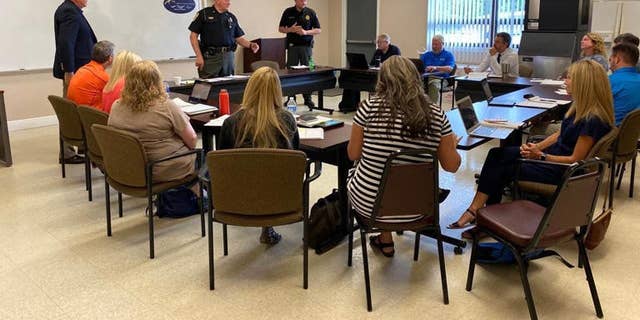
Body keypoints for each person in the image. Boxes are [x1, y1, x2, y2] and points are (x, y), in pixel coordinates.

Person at [449, 60, 614, 235]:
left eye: (570, 78)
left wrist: (541, 156)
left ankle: (480, 217)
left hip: (558, 169)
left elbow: (575, 160)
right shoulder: (581, 108)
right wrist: (535, 147)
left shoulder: (592, 120)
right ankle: (481, 213)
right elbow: (560, 135)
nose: (565, 81)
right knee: (496, 154)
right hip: (549, 157)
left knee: (500, 167)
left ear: (584, 84)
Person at [347, 56, 461, 257]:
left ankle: (385, 238)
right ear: (416, 79)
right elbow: (452, 166)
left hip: (371, 206)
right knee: (396, 179)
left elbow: (353, 154)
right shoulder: (436, 114)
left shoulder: (367, 108)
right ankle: (386, 239)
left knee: (374, 174)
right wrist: (450, 144)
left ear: (382, 80)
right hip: (420, 207)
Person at [219, 67, 300, 245]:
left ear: (249, 88)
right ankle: (267, 226)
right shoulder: (287, 120)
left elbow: (222, 167)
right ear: (277, 91)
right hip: (281, 199)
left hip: (236, 199)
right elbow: (296, 161)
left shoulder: (230, 122)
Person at [108, 60, 198, 186]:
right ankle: (200, 198)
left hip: (129, 168)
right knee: (203, 158)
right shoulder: (166, 106)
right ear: (156, 82)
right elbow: (192, 140)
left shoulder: (116, 106)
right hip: (160, 169)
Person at [188, 0, 260, 79]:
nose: (229, 3)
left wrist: (250, 44)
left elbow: (238, 38)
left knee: (228, 86)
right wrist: (199, 56)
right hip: (211, 58)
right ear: (217, 1)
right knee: (209, 86)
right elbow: (193, 36)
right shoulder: (204, 14)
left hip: (228, 57)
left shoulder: (231, 17)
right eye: (226, 0)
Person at [279, 0, 322, 108]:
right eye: (301, 0)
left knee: (308, 72)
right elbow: (280, 29)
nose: (304, 2)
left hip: (306, 46)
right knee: (290, 73)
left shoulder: (311, 12)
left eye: (305, 0)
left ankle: (308, 99)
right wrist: (290, 29)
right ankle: (291, 99)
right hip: (292, 46)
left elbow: (318, 30)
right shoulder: (288, 12)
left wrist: (306, 32)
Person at [53, 0, 97, 97]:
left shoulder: (73, 10)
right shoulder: (69, 11)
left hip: (80, 70)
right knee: (73, 106)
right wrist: (69, 71)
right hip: (76, 71)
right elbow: (66, 43)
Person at [67, 41, 114, 110]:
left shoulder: (82, 69)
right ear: (110, 58)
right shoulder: (102, 77)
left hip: (75, 113)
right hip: (90, 115)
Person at [608, 42, 640, 125]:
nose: (609, 60)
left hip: (610, 131)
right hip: (632, 133)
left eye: (611, 57)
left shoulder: (609, 81)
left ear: (617, 59)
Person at [420, 34, 456, 103]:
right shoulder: (426, 55)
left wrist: (436, 67)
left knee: (433, 86)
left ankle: (432, 108)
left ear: (442, 44)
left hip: (441, 79)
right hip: (425, 78)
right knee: (413, 84)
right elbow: (419, 65)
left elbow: (450, 68)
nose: (434, 46)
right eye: (433, 44)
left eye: (436, 44)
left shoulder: (448, 55)